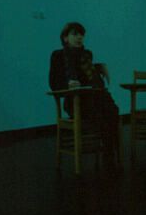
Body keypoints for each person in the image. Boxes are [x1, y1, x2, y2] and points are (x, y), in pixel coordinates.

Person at [49, 22, 120, 166]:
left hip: (93, 99)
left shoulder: (87, 55)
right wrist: (68, 85)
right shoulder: (58, 55)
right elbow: (54, 82)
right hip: (75, 102)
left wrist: (99, 68)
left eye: (81, 34)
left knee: (112, 110)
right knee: (101, 113)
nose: (79, 37)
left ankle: (109, 152)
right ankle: (109, 153)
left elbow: (88, 77)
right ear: (65, 38)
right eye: (74, 34)